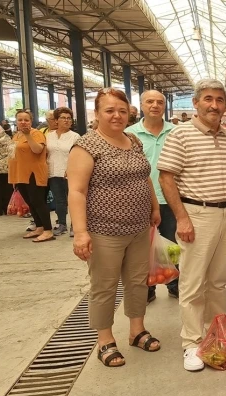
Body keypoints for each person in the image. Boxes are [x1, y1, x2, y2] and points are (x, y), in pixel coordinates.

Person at [157, 78, 226, 372]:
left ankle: (216, 337)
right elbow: (166, 177)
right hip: (197, 215)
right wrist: (182, 217)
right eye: (208, 99)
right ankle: (191, 342)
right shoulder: (181, 135)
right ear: (195, 103)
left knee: (218, 282)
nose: (214, 105)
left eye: (219, 100)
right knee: (193, 282)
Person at [67, 88, 162, 367]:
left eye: (122, 110)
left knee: (137, 281)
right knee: (104, 286)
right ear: (97, 114)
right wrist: (81, 232)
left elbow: (145, 178)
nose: (117, 116)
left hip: (139, 227)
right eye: (109, 110)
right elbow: (77, 192)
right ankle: (105, 340)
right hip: (103, 229)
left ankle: (137, 330)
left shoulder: (132, 140)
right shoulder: (86, 146)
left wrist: (154, 207)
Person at [126, 90, 180, 302]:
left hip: (171, 198)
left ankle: (174, 283)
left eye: (159, 102)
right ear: (141, 106)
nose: (155, 105)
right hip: (140, 201)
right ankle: (146, 288)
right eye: (150, 101)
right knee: (141, 248)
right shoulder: (130, 134)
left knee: (173, 245)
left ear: (164, 106)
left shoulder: (176, 132)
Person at [9, 110, 53, 242]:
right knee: (30, 202)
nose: (23, 122)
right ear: (16, 122)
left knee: (38, 201)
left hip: (33, 174)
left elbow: (37, 150)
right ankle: (39, 227)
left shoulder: (36, 133)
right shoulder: (16, 136)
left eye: (26, 120)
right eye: (20, 120)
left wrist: (28, 135)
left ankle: (48, 230)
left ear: (31, 121)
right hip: (20, 174)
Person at [46, 107, 79, 236]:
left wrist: (71, 169)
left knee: (73, 200)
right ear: (56, 121)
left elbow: (78, 156)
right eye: (63, 118)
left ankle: (75, 226)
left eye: (69, 118)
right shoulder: (49, 136)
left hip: (70, 173)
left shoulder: (75, 137)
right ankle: (62, 224)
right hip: (53, 172)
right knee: (59, 200)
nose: (66, 121)